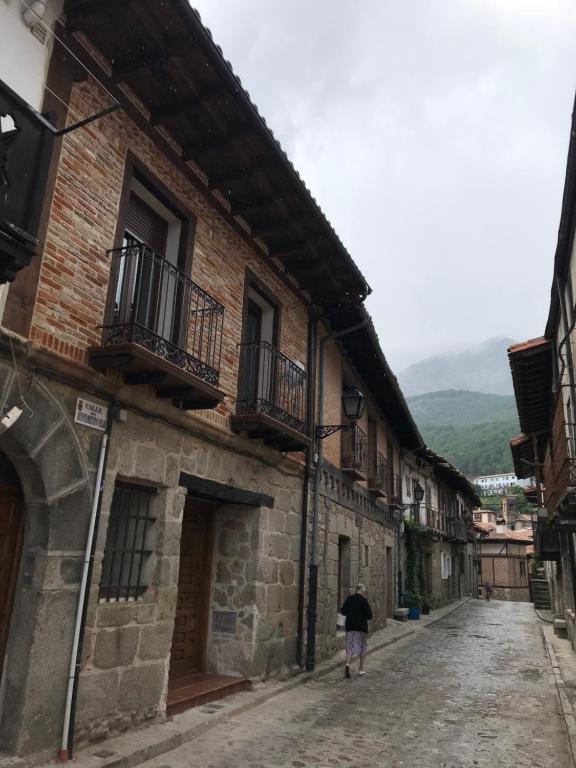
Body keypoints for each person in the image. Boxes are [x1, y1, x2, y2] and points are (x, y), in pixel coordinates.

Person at [340, 583, 373, 678]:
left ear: (356, 589)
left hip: (350, 626)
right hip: (361, 628)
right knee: (363, 646)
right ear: (362, 590)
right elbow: (369, 616)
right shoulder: (364, 601)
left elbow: (343, 611)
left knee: (349, 646)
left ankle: (347, 663)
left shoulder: (350, 599)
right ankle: (361, 669)